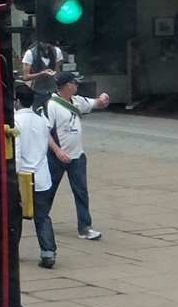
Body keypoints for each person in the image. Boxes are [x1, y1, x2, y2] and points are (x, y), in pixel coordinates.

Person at [45, 71, 110, 241]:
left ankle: (85, 227)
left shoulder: (78, 101)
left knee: (81, 192)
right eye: (75, 82)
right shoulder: (52, 105)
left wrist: (103, 100)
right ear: (68, 85)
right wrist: (58, 151)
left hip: (77, 157)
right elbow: (45, 133)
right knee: (48, 190)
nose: (77, 85)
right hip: (56, 157)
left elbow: (96, 104)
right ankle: (41, 217)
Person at [14, 83, 56, 268]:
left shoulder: (15, 121)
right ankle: (48, 253)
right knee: (42, 216)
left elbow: (16, 152)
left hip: (23, 176)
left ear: (17, 100)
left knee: (14, 216)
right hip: (42, 176)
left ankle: (12, 251)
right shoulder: (41, 120)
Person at [21, 38, 63, 113]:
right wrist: (41, 74)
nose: (46, 45)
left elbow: (57, 71)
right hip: (37, 92)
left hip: (52, 91)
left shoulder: (56, 52)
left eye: (48, 43)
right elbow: (26, 77)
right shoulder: (30, 53)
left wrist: (54, 79)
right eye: (44, 42)